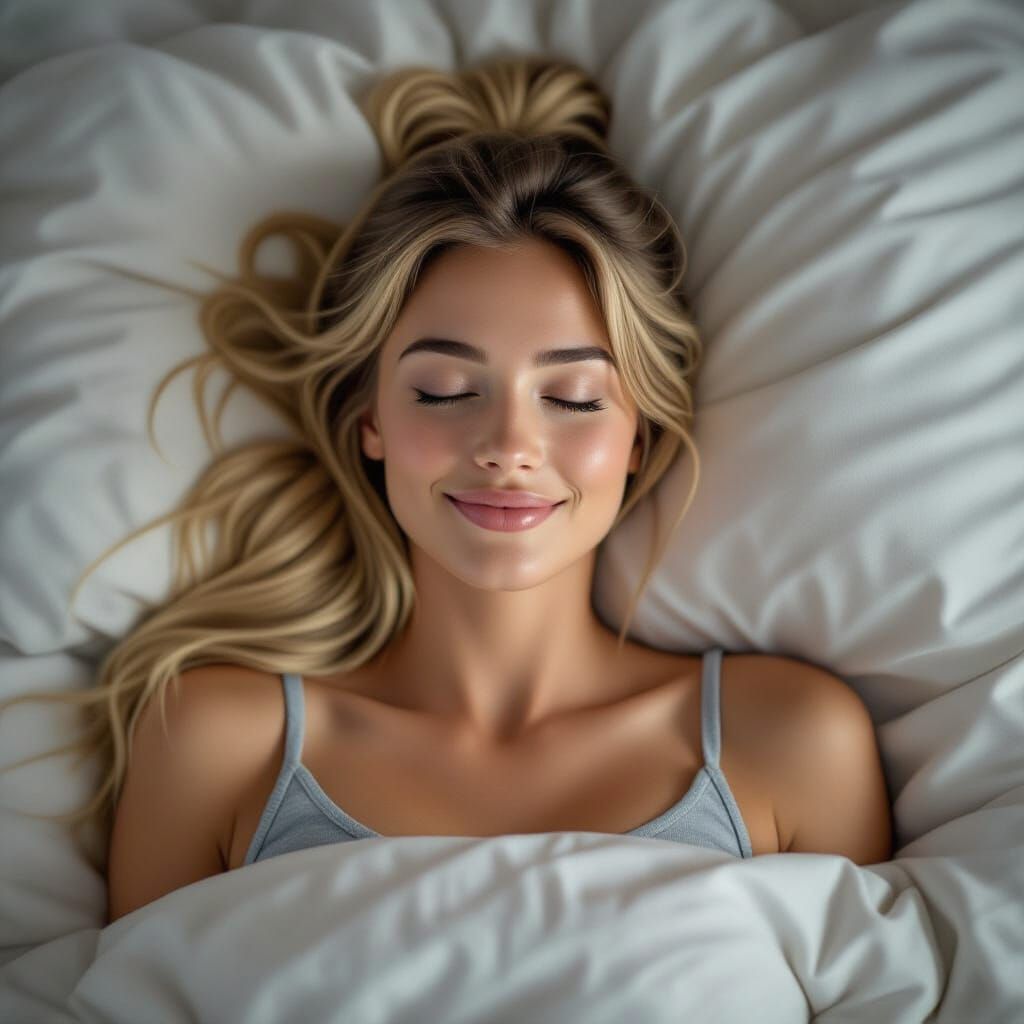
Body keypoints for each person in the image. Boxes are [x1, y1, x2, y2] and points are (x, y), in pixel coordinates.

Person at [0, 55, 893, 926]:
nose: (508, 446)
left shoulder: (788, 740)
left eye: (573, 398)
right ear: (371, 422)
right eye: (444, 391)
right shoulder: (219, 741)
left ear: (640, 435)